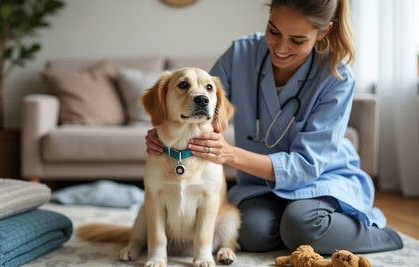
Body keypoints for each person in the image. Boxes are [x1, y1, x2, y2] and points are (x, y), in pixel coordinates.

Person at [145, 0, 403, 254]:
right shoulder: (241, 54)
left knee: (303, 226)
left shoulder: (337, 77)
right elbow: (202, 107)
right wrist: (164, 129)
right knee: (249, 233)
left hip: (322, 178)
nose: (280, 48)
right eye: (274, 31)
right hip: (260, 182)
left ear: (323, 32)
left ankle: (377, 234)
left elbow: (307, 165)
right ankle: (294, 228)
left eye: (297, 40)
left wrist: (229, 154)